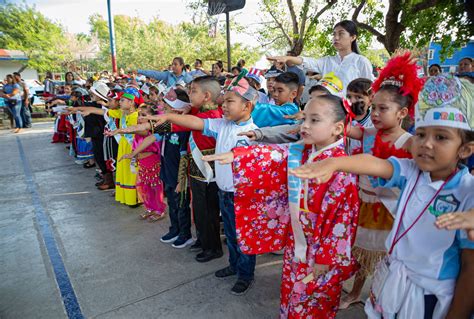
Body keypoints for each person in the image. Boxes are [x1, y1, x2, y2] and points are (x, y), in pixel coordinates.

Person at [290, 75, 474, 319]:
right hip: (394, 285)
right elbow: (374, 163)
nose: (426, 144)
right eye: (420, 135)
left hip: (431, 297)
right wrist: (335, 162)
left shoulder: (467, 192)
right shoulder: (411, 171)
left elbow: (470, 269)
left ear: (465, 149)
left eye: (441, 137)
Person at [204, 94, 360, 318]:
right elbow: (274, 153)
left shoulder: (343, 171)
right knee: (292, 294)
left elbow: (343, 223)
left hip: (321, 252)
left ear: (337, 128)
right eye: (304, 118)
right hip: (296, 242)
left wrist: (326, 259)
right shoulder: (302, 152)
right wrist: (239, 156)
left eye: (314, 120)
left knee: (314, 301)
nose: (304, 126)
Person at [150, 76, 259, 295]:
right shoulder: (221, 125)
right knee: (229, 231)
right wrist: (170, 115)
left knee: (243, 236)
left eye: (229, 102)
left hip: (242, 196)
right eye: (224, 100)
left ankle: (246, 274)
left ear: (247, 106)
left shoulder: (254, 133)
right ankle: (234, 265)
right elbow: (196, 123)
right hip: (224, 191)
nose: (224, 105)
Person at [338, 53, 424, 309]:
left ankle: (386, 301)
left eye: (382, 109)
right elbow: (342, 128)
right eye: (373, 107)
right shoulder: (369, 133)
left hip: (393, 213)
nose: (374, 113)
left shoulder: (410, 143)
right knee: (364, 253)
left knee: (389, 259)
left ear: (403, 113)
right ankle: (355, 293)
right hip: (364, 205)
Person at [73, 87, 141, 207]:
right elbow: (102, 111)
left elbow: (135, 131)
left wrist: (118, 131)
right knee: (124, 171)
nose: (120, 102)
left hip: (133, 147)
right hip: (124, 146)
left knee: (133, 172)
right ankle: (127, 197)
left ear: (131, 103)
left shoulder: (136, 116)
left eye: (123, 100)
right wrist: (80, 109)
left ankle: (135, 198)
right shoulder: (122, 113)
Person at [268, 20, 374, 94]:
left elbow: (369, 89)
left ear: (353, 37)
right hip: (326, 111)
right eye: (334, 34)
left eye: (341, 34)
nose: (336, 38)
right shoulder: (327, 61)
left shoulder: (361, 61)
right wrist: (288, 58)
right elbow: (307, 62)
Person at [118, 105, 166, 221]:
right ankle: (150, 208)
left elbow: (154, 151)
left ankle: (160, 210)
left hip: (153, 163)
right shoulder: (138, 132)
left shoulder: (152, 131)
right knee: (145, 187)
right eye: (139, 115)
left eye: (144, 115)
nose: (140, 118)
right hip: (143, 163)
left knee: (156, 187)